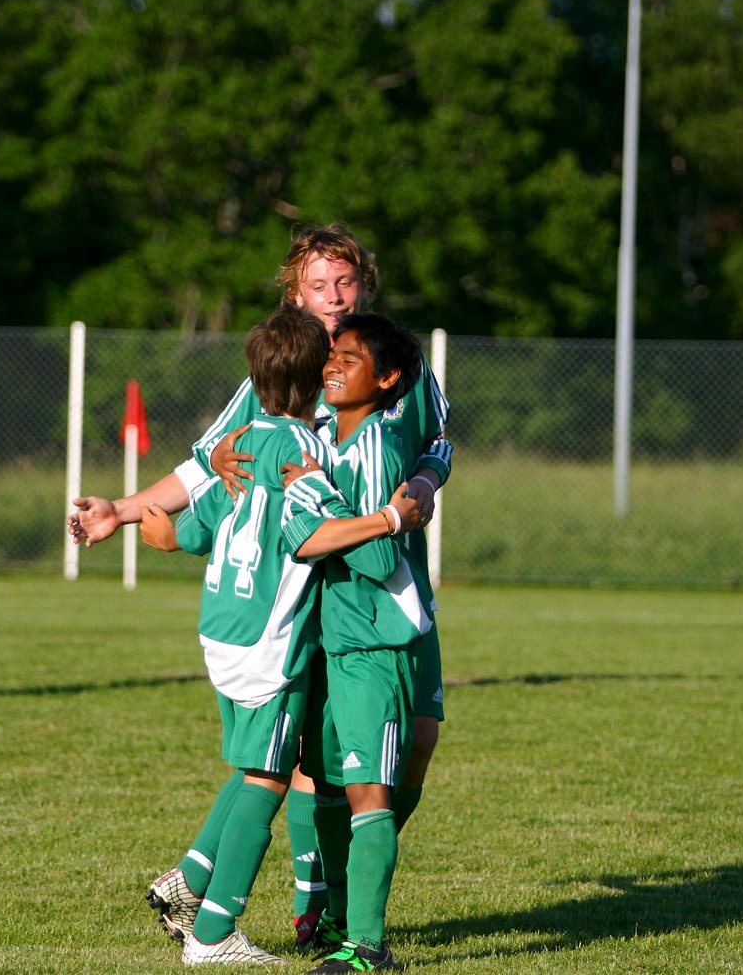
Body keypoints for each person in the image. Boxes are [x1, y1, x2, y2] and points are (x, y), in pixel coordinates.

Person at [68, 224, 453, 946]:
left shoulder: (394, 362)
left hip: (397, 587)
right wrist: (121, 511)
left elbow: (438, 442)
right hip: (316, 596)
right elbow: (211, 470)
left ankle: (208, 875)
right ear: (294, 292)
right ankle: (319, 907)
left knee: (413, 742)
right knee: (309, 759)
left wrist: (425, 482)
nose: (333, 298)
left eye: (344, 283)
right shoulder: (277, 385)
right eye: (318, 285)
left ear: (362, 286)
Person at [133, 307, 421, 964]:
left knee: (254, 765)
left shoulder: (239, 443)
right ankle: (212, 934)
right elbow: (317, 540)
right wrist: (387, 517)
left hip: (220, 627)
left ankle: (189, 881)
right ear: (316, 377)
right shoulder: (305, 449)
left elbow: (199, 521)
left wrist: (163, 533)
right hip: (271, 639)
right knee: (267, 777)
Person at [280, 313, 431, 973]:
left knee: (371, 791)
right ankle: (341, 917)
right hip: (334, 640)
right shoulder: (331, 439)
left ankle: (369, 947)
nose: (333, 364)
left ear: (388, 378)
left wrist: (314, 500)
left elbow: (371, 560)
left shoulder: (374, 449)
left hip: (376, 643)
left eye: (350, 356)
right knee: (332, 786)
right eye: (332, 354)